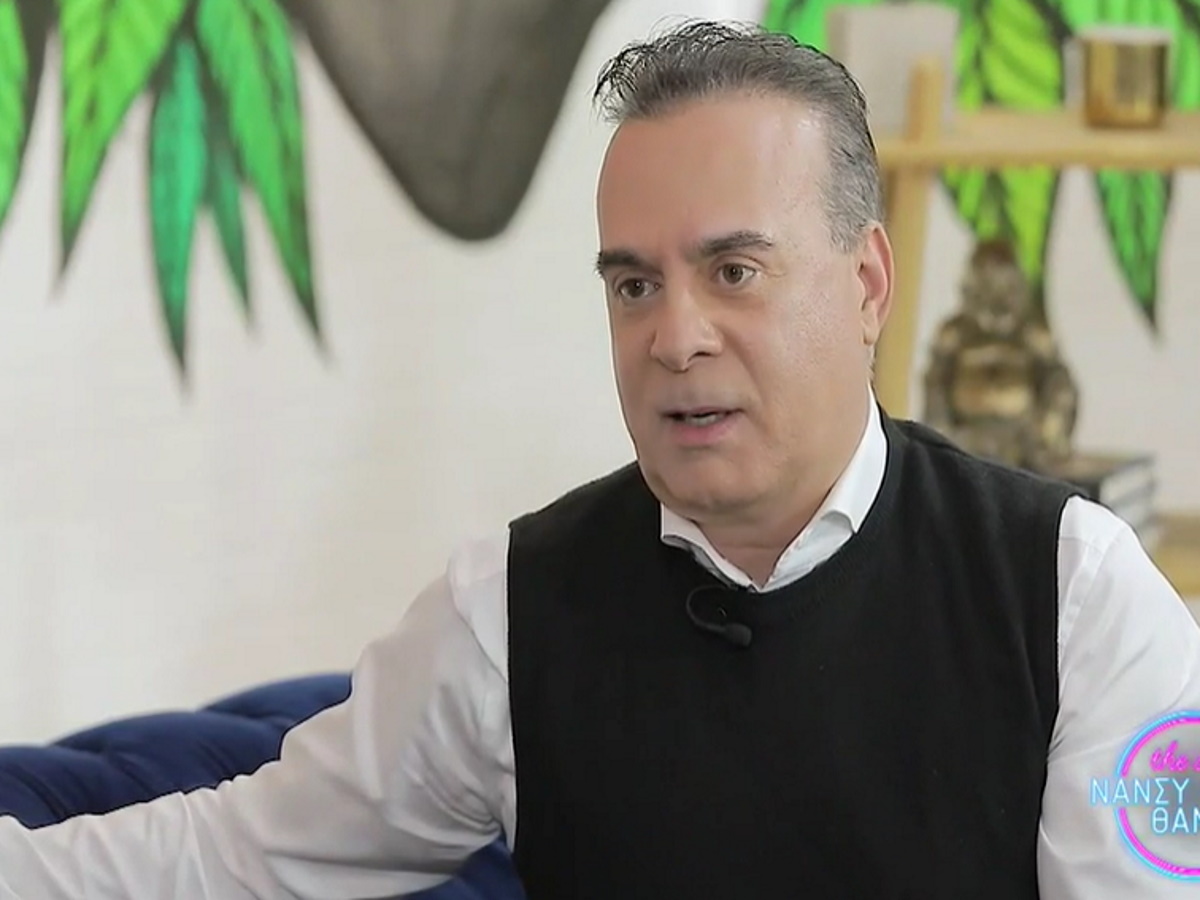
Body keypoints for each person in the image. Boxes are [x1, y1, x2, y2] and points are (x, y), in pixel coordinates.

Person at [3, 18, 1200, 899]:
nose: (675, 337)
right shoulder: (509, 611)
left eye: (734, 271)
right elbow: (238, 854)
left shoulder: (1075, 594)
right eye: (634, 285)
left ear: (868, 282)